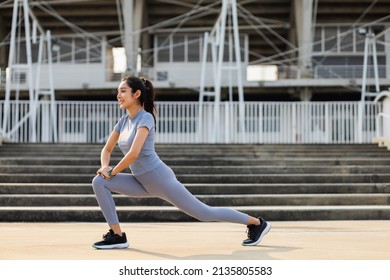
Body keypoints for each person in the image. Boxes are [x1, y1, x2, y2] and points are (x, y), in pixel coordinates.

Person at [91, 76, 271, 249]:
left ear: (136, 94)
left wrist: (112, 172)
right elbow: (106, 149)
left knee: (204, 213)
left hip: (160, 178)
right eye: (118, 91)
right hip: (141, 181)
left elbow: (133, 154)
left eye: (123, 91)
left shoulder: (145, 118)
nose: (118, 95)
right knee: (99, 181)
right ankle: (117, 236)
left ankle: (257, 223)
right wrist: (105, 167)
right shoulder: (123, 121)